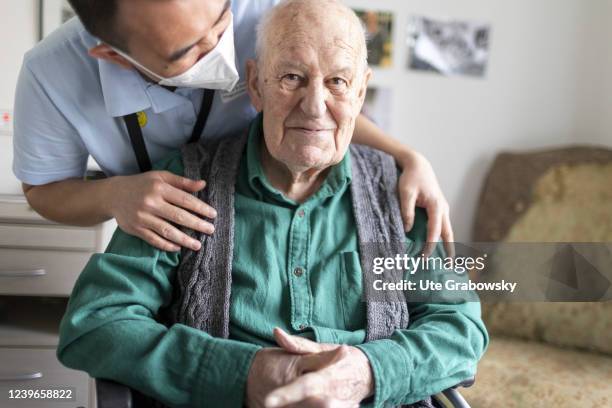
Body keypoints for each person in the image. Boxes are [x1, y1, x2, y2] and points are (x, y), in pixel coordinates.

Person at [57, 1, 488, 407]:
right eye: (292, 78)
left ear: (360, 92)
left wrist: (368, 372)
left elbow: (460, 328)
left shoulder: (399, 195)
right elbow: (97, 324)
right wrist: (244, 374)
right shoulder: (186, 183)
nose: (315, 106)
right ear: (256, 85)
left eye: (338, 81)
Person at [13, 0, 453, 255]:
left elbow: (322, 108)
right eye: (190, 50)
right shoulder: (51, 74)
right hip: (174, 242)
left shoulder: (264, 12)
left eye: (221, 21)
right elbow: (43, 190)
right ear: (114, 57)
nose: (221, 48)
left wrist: (406, 156)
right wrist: (112, 195)